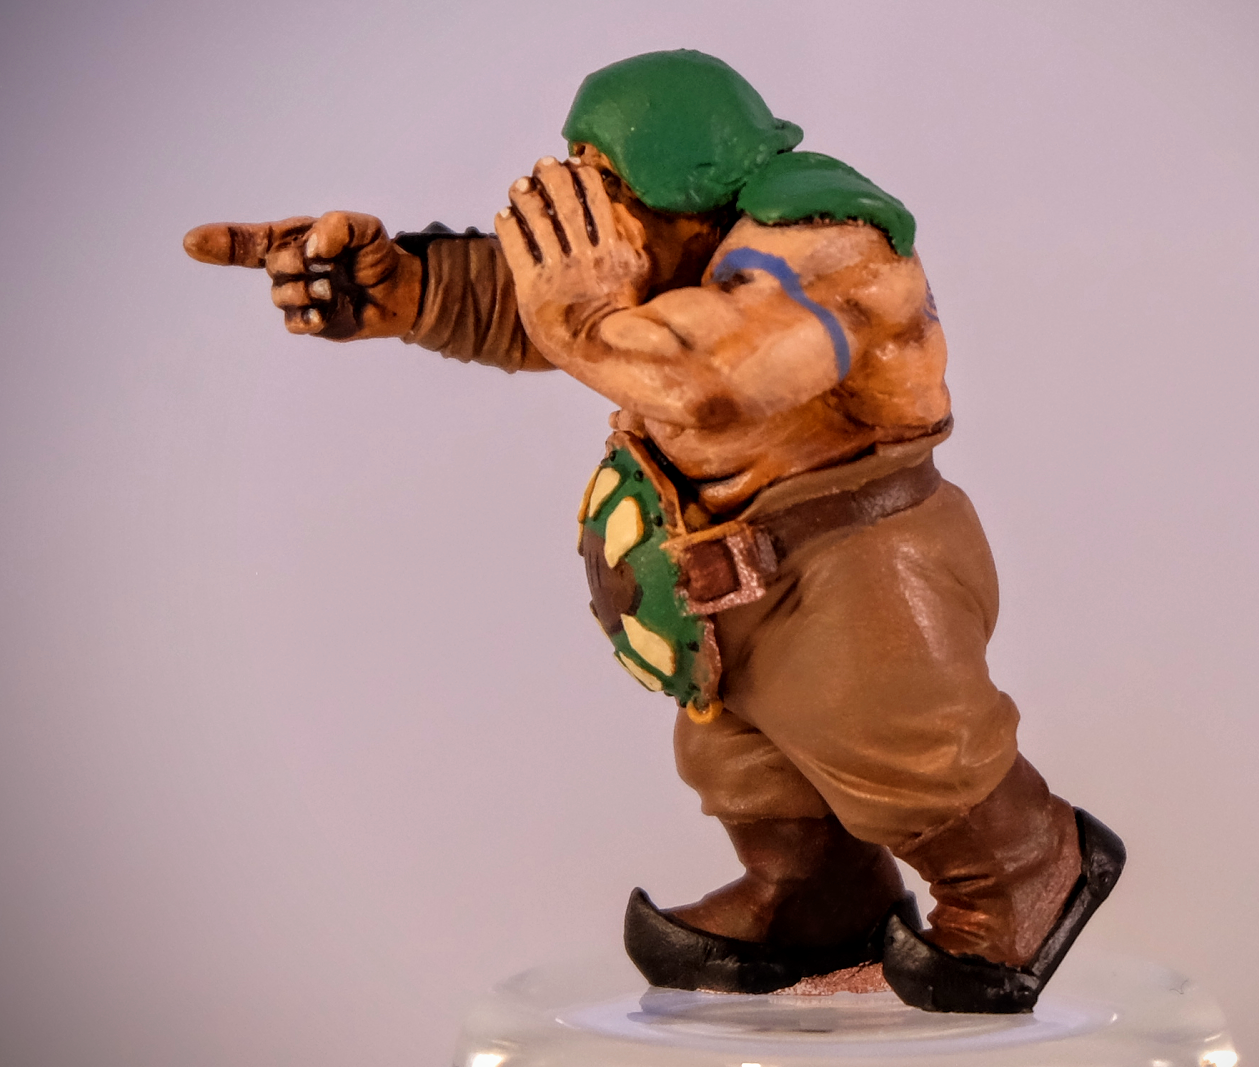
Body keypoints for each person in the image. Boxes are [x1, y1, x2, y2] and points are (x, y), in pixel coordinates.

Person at [184, 49, 1122, 1013]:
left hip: (861, 563)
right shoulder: (682, 255)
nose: (585, 207)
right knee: (743, 754)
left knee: (897, 737)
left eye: (604, 177)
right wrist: (406, 287)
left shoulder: (830, 242)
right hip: (732, 580)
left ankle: (1023, 869)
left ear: (684, 178)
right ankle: (817, 895)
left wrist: (580, 308)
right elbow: (543, 310)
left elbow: (712, 378)